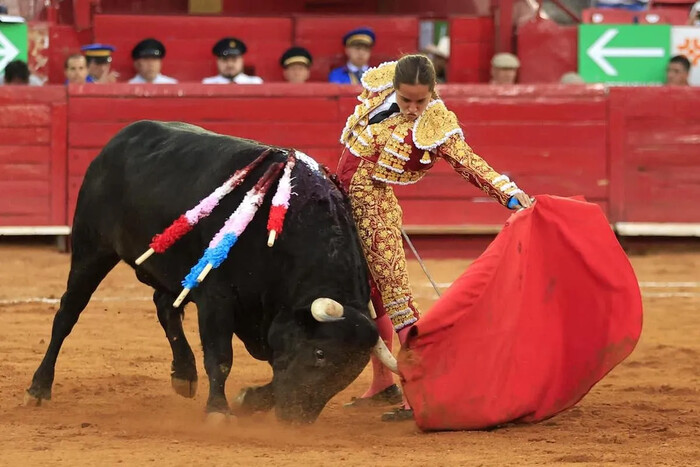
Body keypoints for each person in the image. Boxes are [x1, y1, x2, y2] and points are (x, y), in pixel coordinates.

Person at [336, 55, 533, 421]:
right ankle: (382, 384)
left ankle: (418, 395)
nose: (412, 108)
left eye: (420, 101)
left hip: (376, 211)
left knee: (397, 302)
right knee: (369, 295)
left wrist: (508, 194)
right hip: (339, 203)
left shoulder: (435, 122)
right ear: (394, 88)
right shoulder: (379, 92)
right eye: (406, 99)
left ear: (433, 93)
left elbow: (469, 162)